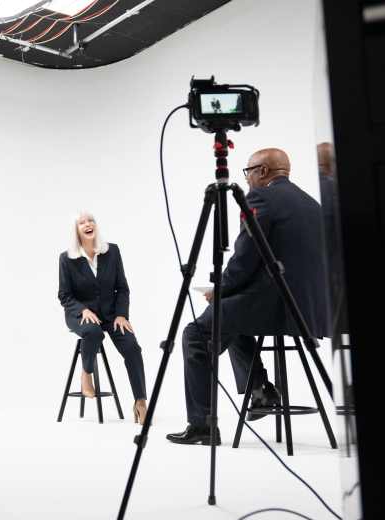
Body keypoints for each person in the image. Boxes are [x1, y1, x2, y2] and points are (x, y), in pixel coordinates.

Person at [167, 148, 329, 445]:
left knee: (195, 334)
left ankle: (203, 426)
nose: (248, 178)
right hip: (309, 311)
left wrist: (220, 291)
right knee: (230, 319)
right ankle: (259, 388)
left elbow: (245, 258)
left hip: (274, 306)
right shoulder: (311, 203)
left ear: (262, 171)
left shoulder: (261, 199)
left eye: (249, 171)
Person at [58, 212, 148, 424]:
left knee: (132, 348)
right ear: (76, 230)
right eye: (82, 222)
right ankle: (86, 374)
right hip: (79, 315)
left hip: (111, 315)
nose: (88, 224)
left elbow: (122, 288)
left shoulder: (112, 251)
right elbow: (64, 295)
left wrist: (121, 315)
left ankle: (141, 402)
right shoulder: (67, 259)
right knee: (93, 333)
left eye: (91, 221)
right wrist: (82, 310)